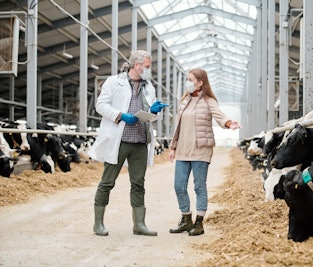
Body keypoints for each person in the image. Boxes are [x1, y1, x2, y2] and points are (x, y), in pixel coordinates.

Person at [88, 50, 168, 237]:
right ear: (136, 65)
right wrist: (121, 115)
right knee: (107, 182)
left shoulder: (149, 87)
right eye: (147, 66)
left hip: (140, 141)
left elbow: (151, 115)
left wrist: (154, 111)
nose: (149, 70)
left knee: (138, 184)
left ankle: (139, 224)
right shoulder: (114, 81)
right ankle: (98, 223)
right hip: (120, 140)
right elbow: (100, 105)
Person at [168, 68, 241, 236]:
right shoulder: (185, 100)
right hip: (183, 150)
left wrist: (229, 123)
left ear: (200, 82)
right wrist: (173, 147)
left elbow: (219, 115)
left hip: (201, 149)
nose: (187, 82)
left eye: (190, 79)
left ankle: (199, 223)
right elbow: (178, 126)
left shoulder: (208, 101)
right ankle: (186, 219)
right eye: (187, 79)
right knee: (179, 186)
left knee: (199, 186)